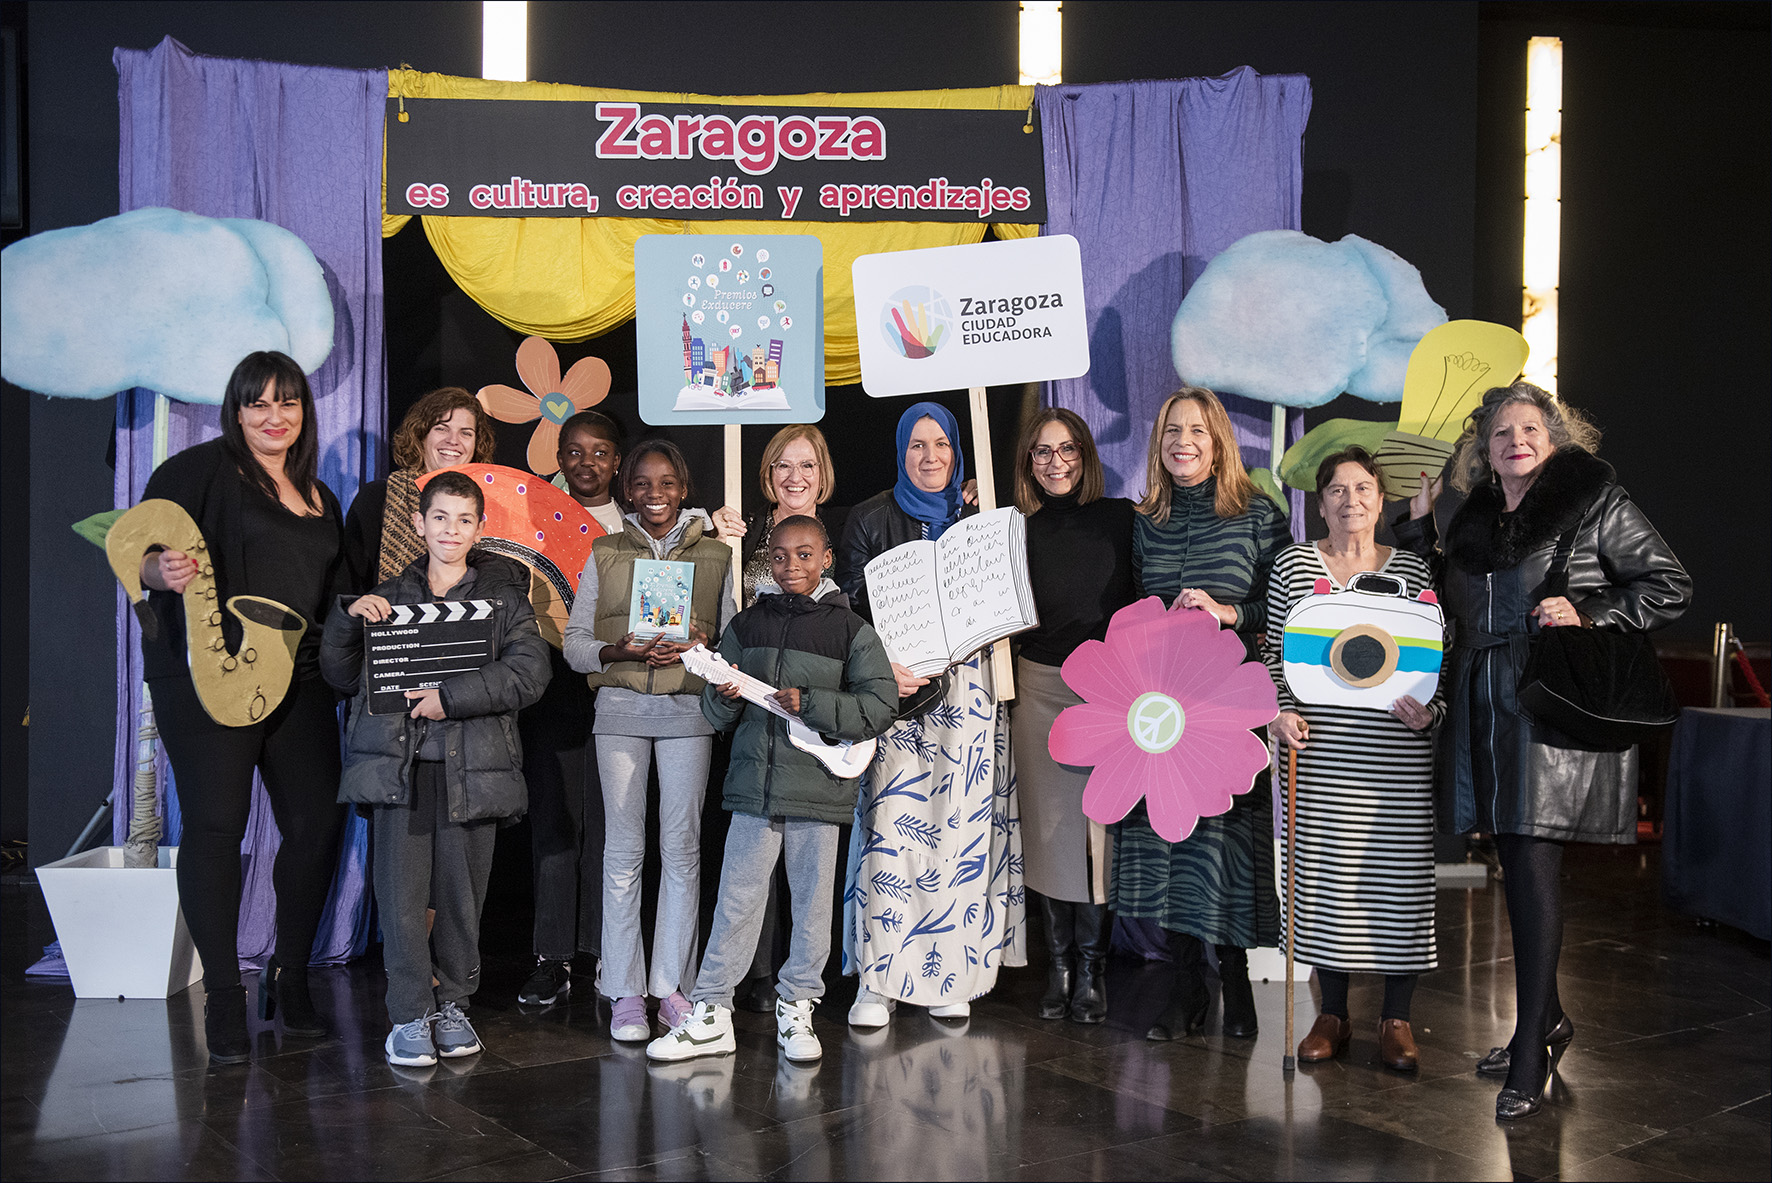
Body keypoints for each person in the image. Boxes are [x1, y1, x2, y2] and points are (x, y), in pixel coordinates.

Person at [1400, 382, 1689, 1119]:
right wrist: (1416, 533)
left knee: (1532, 869)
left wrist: (1592, 609)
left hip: (1549, 705)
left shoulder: (1593, 502)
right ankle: (1547, 1020)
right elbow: (1453, 600)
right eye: (1502, 431)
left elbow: (1669, 584)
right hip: (1486, 706)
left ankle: (1529, 1049)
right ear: (1484, 448)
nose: (1516, 440)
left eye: (1531, 428)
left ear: (1555, 441)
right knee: (1517, 866)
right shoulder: (1473, 518)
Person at [133, 351, 349, 1063]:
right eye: (257, 403)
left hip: (299, 677)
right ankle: (223, 991)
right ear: (236, 409)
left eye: (287, 402)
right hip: (207, 677)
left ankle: (289, 976)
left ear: (303, 412)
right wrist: (155, 571)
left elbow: (334, 597)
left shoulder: (321, 496)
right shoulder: (196, 472)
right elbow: (133, 549)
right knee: (218, 825)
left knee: (317, 822)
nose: (273, 416)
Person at [646, 516, 899, 1064]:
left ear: (827, 558)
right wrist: (728, 697)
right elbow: (715, 710)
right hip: (753, 792)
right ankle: (712, 1012)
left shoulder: (851, 630)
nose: (792, 567)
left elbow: (879, 707)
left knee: (811, 905)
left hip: (818, 788)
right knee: (735, 900)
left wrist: (810, 703)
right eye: (781, 557)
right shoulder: (745, 625)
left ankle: (799, 1006)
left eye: (805, 555)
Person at [320, 471, 550, 1067]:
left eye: (464, 519)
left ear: (480, 529)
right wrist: (349, 620)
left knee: (460, 897)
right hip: (403, 772)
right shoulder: (389, 597)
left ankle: (454, 1006)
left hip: (473, 771)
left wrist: (452, 697)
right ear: (418, 524)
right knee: (400, 899)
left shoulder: (504, 603)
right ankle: (409, 1014)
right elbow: (343, 678)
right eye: (439, 518)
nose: (451, 530)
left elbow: (530, 674)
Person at [836, 401, 1026, 1026]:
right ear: (900, 452)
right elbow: (852, 614)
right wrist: (882, 669)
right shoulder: (869, 518)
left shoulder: (982, 515)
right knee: (892, 829)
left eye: (940, 443)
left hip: (971, 693)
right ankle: (880, 980)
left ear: (956, 451)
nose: (930, 457)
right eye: (916, 445)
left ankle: (950, 974)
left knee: (960, 833)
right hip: (898, 692)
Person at [1118, 387, 1291, 1043]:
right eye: (1170, 432)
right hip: (1162, 713)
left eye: (1195, 429)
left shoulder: (1257, 514)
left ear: (1218, 439)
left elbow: (1287, 605)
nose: (1182, 441)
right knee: (1172, 846)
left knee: (1230, 848)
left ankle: (1238, 978)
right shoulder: (1145, 521)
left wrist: (1230, 614)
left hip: (1231, 706)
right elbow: (1133, 608)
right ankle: (1187, 986)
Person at [1263, 448, 1442, 1072]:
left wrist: (1433, 710)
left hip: (1396, 749)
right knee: (1326, 881)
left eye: (1363, 488)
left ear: (1382, 498)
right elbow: (1272, 650)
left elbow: (1437, 653)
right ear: (1320, 503)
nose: (1351, 501)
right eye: (1337, 490)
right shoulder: (1293, 565)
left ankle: (1396, 1019)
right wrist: (1278, 714)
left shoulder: (1416, 568)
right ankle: (1332, 1014)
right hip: (1322, 749)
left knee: (1398, 882)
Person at [563, 440, 735, 1042]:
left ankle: (670, 988)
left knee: (682, 851)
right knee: (623, 853)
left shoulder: (716, 555)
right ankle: (624, 990)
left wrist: (701, 642)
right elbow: (575, 643)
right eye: (641, 483)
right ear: (627, 490)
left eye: (667, 483)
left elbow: (732, 650)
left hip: (688, 711)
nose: (654, 494)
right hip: (620, 711)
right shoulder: (604, 551)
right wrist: (619, 650)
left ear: (684, 488)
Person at [709, 424, 844, 1011]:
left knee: (810, 869)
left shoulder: (845, 539)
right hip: (750, 725)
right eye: (783, 465)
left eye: (808, 465)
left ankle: (800, 992)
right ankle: (747, 978)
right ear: (767, 473)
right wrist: (713, 536)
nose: (796, 477)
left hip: (811, 726)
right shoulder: (737, 533)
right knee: (746, 863)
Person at [1009, 409, 1136, 1024]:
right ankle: (1057, 966)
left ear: (1085, 456)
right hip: (1037, 688)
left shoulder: (1121, 520)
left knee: (1099, 833)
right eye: (1041, 452)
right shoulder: (1015, 533)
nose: (1054, 462)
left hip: (1107, 692)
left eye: (1066, 450)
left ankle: (1092, 968)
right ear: (1028, 463)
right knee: (1049, 831)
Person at [518, 410, 625, 1009]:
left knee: (615, 830)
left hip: (617, 689)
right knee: (556, 827)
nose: (588, 464)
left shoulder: (636, 522)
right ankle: (552, 958)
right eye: (575, 452)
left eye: (601, 452)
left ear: (618, 459)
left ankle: (610, 951)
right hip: (552, 689)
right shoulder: (530, 519)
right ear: (557, 456)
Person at [341, 386, 496, 592]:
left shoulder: (490, 506)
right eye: (441, 428)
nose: (453, 440)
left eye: (465, 433)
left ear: (477, 444)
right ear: (421, 435)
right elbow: (350, 584)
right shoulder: (378, 498)